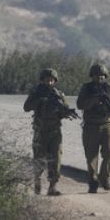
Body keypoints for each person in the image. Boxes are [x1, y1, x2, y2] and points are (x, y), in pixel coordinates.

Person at [23, 67, 78, 196]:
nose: (50, 83)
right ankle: (37, 183)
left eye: (52, 80)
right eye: (47, 80)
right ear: (42, 80)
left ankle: (52, 186)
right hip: (40, 131)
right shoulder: (36, 92)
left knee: (56, 158)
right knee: (39, 158)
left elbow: (64, 110)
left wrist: (66, 112)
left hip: (55, 131)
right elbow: (26, 107)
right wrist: (40, 100)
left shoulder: (58, 94)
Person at [76, 63, 110, 194]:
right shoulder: (86, 88)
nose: (99, 78)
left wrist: (105, 102)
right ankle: (93, 182)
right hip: (91, 125)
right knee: (91, 155)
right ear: (91, 76)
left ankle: (105, 178)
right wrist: (94, 100)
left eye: (102, 76)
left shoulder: (109, 88)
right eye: (96, 76)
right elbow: (80, 104)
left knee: (109, 152)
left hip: (107, 124)